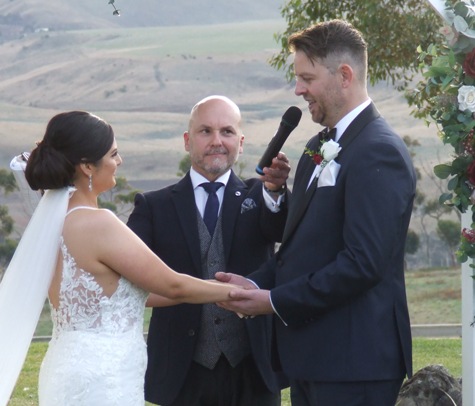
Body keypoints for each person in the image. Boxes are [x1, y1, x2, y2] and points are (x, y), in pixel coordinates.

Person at [216, 20, 416, 406]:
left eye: (307, 77)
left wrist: (274, 301)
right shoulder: (316, 147)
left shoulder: (379, 150)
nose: (298, 89)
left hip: (356, 365)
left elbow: (363, 263)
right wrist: (256, 286)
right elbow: (304, 247)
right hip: (313, 361)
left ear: (344, 75)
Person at [0, 111, 241, 406]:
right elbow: (172, 284)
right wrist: (238, 292)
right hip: (104, 375)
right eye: (113, 154)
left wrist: (208, 291)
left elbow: (134, 292)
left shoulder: (54, 222)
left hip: (65, 367)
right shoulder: (98, 223)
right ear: (88, 165)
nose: (120, 161)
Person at [127, 95, 290, 406]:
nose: (217, 141)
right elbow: (130, 281)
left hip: (253, 369)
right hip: (181, 373)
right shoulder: (153, 206)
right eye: (206, 131)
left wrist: (276, 190)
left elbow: (280, 230)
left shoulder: (261, 194)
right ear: (188, 141)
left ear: (241, 143)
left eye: (227, 132)